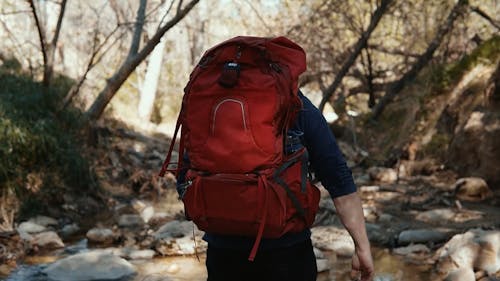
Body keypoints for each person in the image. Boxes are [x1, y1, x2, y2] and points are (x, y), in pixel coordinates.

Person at [177, 91, 374, 281]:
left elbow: (184, 176)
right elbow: (338, 178)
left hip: (223, 254)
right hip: (287, 254)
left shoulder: (209, 104)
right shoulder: (297, 106)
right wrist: (362, 247)